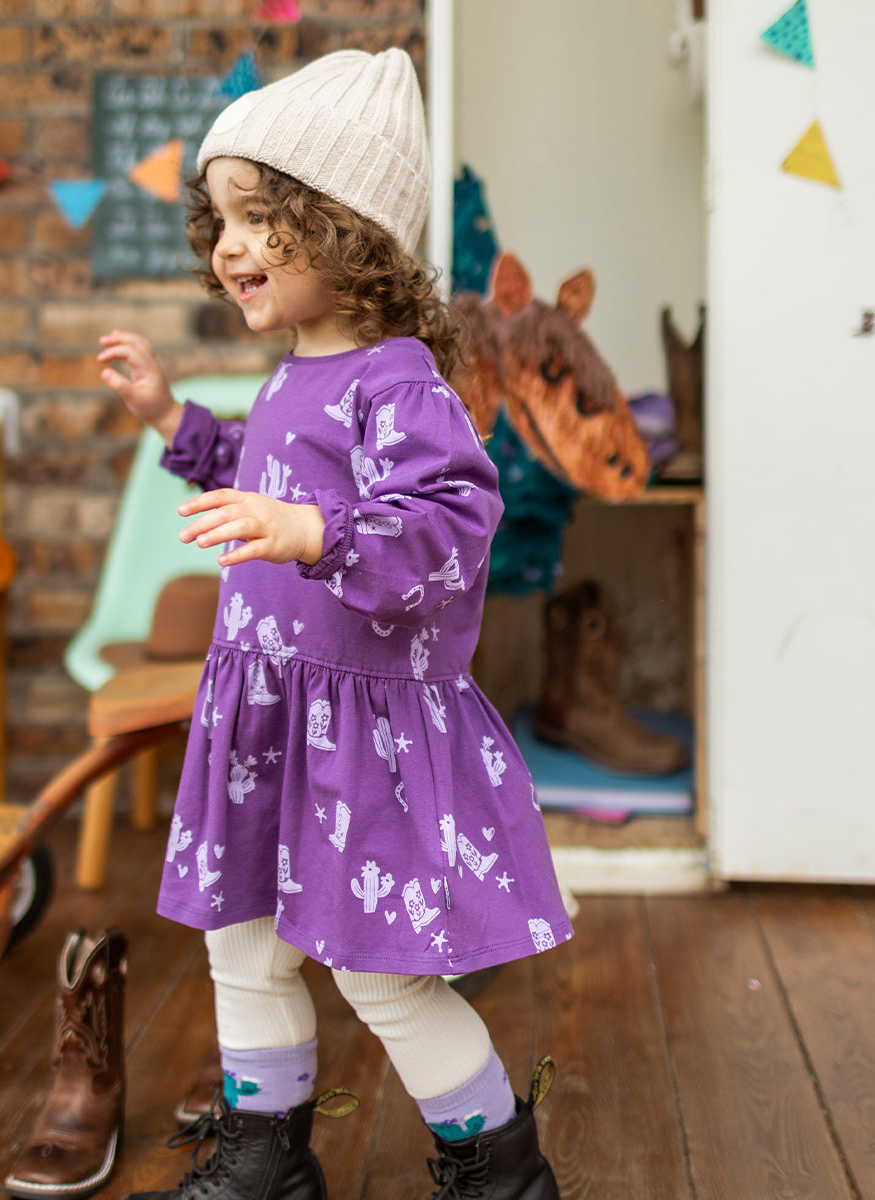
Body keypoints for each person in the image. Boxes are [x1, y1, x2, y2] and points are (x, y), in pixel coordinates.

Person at [97, 48, 571, 1200]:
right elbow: (257, 475)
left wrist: (313, 533)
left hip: (355, 733)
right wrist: (168, 414)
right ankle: (268, 1157)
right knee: (241, 943)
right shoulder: (291, 378)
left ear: (348, 231)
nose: (231, 246)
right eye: (223, 222)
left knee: (380, 977)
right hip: (267, 713)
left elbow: (451, 526)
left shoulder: (398, 379)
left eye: (264, 220)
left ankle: (500, 1172)